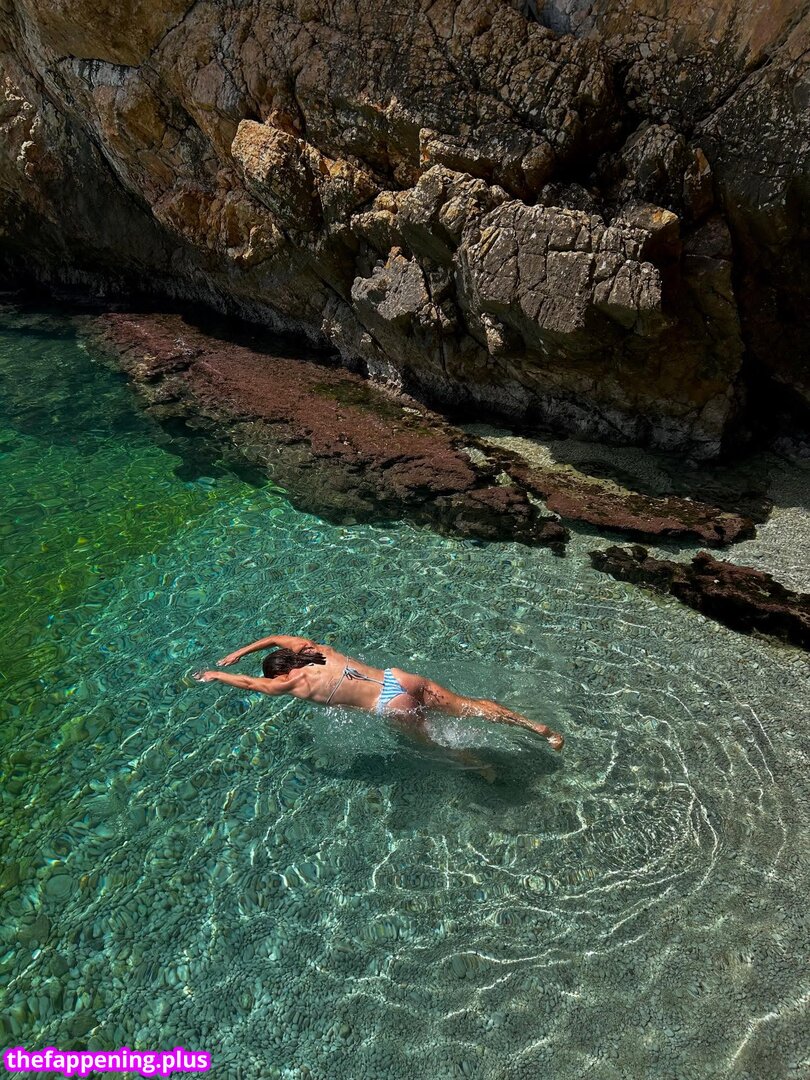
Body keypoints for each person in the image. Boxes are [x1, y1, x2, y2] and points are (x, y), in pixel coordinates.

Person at [193, 633, 564, 752]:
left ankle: (480, 767)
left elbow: (250, 683)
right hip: (400, 679)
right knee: (471, 707)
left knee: (435, 746)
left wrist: (216, 674)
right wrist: (239, 652)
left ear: (281, 672)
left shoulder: (289, 682)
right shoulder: (313, 649)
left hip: (390, 704)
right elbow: (275, 637)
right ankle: (538, 729)